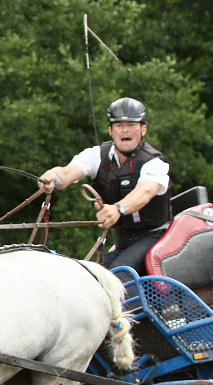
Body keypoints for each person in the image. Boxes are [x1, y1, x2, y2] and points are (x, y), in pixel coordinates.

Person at [39, 97, 172, 278]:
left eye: (131, 125)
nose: (125, 130)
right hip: (123, 243)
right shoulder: (96, 155)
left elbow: (145, 191)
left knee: (119, 276)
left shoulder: (154, 161)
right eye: (119, 125)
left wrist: (118, 209)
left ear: (143, 129)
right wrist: (52, 177)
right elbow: (67, 173)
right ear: (110, 130)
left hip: (156, 239)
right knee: (92, 278)